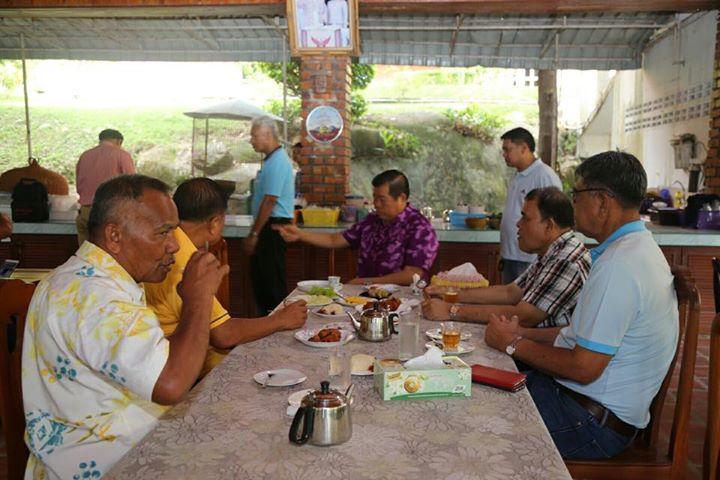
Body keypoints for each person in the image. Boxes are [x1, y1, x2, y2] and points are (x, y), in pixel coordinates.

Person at [22, 174, 228, 479]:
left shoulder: (86, 277)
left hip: (102, 445)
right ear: (115, 236)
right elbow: (170, 384)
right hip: (103, 464)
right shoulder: (98, 298)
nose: (174, 245)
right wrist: (199, 299)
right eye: (163, 232)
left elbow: (144, 355)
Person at [485, 151, 679, 459]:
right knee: (480, 388)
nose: (572, 205)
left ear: (602, 202)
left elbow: (583, 367)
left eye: (577, 196)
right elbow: (580, 335)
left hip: (590, 422)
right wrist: (521, 334)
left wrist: (512, 344)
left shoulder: (619, 266)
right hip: (580, 403)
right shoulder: (635, 250)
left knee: (477, 424)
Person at [145, 178, 308, 378]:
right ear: (214, 223)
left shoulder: (170, 241)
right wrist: (280, 319)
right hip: (180, 368)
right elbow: (223, 335)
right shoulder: (184, 260)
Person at [422, 187, 590, 328]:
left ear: (549, 225)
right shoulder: (553, 251)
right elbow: (510, 293)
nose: (518, 224)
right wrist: (450, 293)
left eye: (526, 218)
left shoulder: (565, 260)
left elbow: (522, 316)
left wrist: (451, 311)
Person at [275, 170, 438, 286]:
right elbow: (335, 239)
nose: (376, 204)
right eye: (374, 198)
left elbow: (412, 275)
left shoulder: (420, 228)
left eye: (382, 199)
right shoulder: (372, 221)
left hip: (404, 301)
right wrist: (300, 234)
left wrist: (366, 282)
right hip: (366, 297)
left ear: (401, 198)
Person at [243, 116, 295, 314]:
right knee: (263, 283)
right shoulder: (272, 160)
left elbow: (270, 200)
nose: (252, 141)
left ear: (267, 135)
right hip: (268, 225)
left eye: (254, 136)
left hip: (272, 227)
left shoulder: (278, 161)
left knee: (271, 284)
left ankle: (276, 323)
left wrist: (254, 234)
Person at [499, 127, 561, 284]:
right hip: (511, 253)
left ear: (524, 148)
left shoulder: (544, 176)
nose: (504, 154)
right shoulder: (517, 176)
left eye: (507, 149)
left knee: (525, 298)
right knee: (507, 297)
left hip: (530, 257)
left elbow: (555, 218)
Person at [75, 129, 136, 246]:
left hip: (86, 212)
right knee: (110, 254)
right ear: (119, 141)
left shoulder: (85, 156)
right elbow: (132, 186)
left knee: (85, 254)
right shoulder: (122, 155)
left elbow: (79, 186)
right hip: (112, 213)